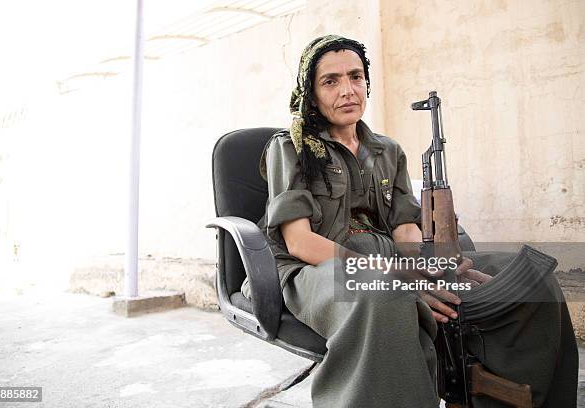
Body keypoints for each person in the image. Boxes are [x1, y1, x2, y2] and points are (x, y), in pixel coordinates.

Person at [242, 35, 578, 407]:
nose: (348, 90)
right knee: (385, 294)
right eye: (331, 81)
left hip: (391, 259)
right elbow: (300, 242)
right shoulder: (291, 147)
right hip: (316, 268)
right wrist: (396, 275)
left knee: (529, 278)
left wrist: (428, 265)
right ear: (311, 93)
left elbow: (404, 224)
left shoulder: (387, 150)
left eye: (356, 76)